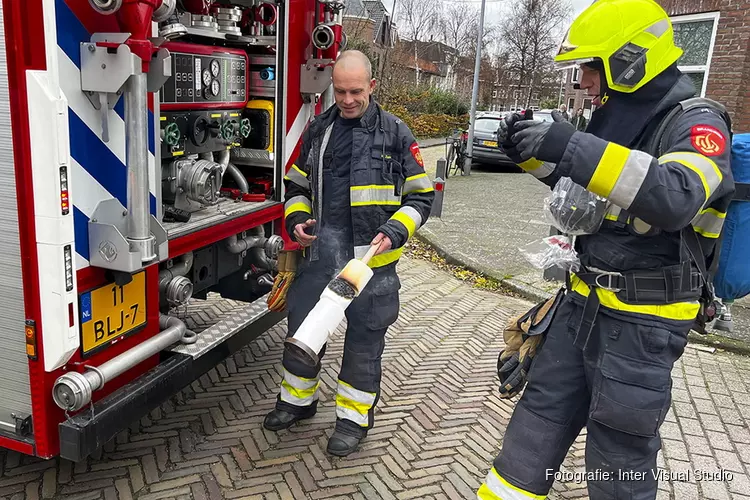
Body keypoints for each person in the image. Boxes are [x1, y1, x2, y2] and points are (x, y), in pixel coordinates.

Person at [479, 0, 734, 499]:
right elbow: (585, 202)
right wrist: (529, 155)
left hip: (643, 327)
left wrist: (571, 146)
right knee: (534, 427)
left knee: (619, 464)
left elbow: (675, 195)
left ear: (630, 60)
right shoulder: (616, 119)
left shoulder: (697, 123)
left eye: (591, 66)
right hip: (581, 306)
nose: (584, 80)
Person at [263, 50, 434, 457]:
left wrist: (395, 230)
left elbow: (422, 197)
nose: (347, 99)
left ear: (372, 87)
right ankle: (297, 402)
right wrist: (297, 221)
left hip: (373, 266)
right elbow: (297, 186)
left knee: (363, 344)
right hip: (321, 256)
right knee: (303, 332)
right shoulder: (319, 129)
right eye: (339, 91)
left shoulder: (396, 133)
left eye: (355, 91)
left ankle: (353, 420)